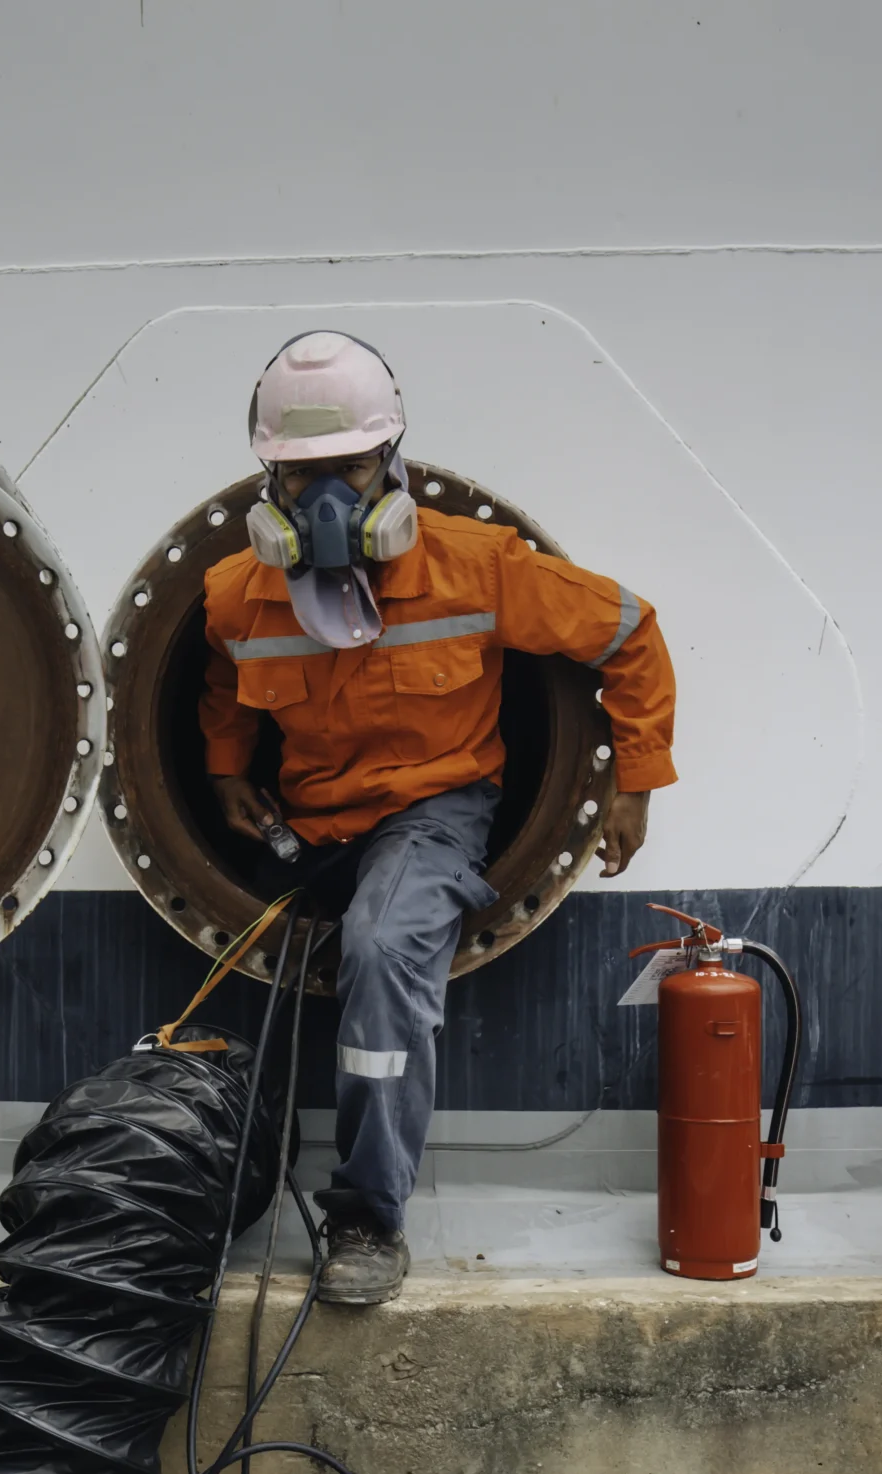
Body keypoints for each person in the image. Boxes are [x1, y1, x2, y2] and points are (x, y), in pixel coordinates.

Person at [198, 330, 678, 1305]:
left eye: (350, 467)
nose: (326, 496)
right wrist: (222, 776)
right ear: (268, 481)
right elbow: (218, 684)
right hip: (316, 817)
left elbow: (629, 631)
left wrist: (634, 780)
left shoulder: (478, 568)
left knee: (379, 948)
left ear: (392, 460)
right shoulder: (233, 597)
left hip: (435, 809)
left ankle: (367, 1218)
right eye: (301, 475)